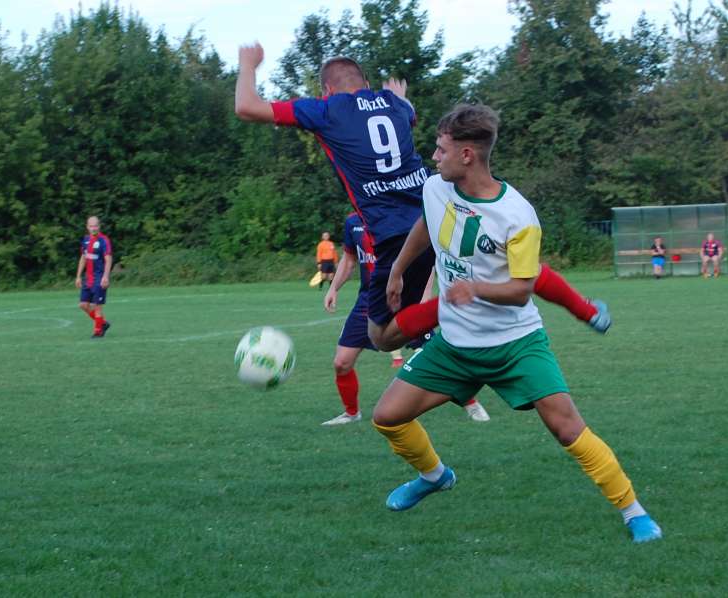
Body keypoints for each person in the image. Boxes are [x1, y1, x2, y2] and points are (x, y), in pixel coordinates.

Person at [372, 104, 662, 543]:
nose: (434, 156)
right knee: (387, 416)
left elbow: (524, 288)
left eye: (441, 148)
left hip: (515, 344)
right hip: (454, 343)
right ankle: (434, 477)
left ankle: (633, 512)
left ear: (467, 154)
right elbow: (426, 227)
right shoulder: (436, 189)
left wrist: (477, 289)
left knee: (568, 428)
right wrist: (398, 268)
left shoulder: (517, 215)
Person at [234, 44, 610, 353]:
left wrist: (248, 64)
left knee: (381, 338)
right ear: (365, 84)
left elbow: (246, 107)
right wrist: (399, 98)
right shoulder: (394, 104)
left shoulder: (326, 109)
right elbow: (407, 113)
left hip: (396, 233)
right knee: (507, 268)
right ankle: (587, 309)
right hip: (438, 208)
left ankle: (451, 312)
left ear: (326, 92)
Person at [322, 213, 490, 425]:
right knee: (341, 362)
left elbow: (425, 259)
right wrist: (333, 289)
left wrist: (424, 296)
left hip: (404, 298)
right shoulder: (352, 222)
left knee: (436, 354)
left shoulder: (397, 217)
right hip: (368, 302)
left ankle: (470, 403)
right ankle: (352, 413)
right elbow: (349, 260)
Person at [75, 216, 112, 338]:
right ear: (87, 227)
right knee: (83, 305)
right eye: (91, 226)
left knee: (97, 305)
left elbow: (108, 259)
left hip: (99, 277)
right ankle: (102, 323)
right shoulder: (85, 240)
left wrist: (105, 277)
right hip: (88, 278)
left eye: (95, 225)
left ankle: (98, 331)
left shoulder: (104, 240)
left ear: (99, 226)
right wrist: (78, 276)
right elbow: (83, 258)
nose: (93, 228)